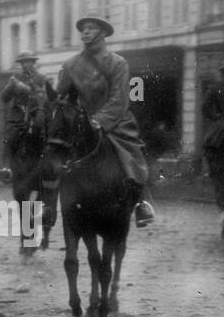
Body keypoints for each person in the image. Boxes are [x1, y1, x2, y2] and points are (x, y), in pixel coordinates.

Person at [55, 14, 155, 227]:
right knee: (55, 151)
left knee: (132, 151)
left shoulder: (118, 63)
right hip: (82, 122)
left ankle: (141, 202)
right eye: (83, 28)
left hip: (115, 120)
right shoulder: (71, 64)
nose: (86, 31)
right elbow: (62, 96)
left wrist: (99, 120)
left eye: (91, 27)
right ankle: (49, 200)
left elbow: (119, 98)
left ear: (102, 33)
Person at [0, 51, 55, 175]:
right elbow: (4, 98)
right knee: (9, 135)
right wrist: (10, 86)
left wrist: (27, 89)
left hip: (37, 112)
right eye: (23, 62)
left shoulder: (42, 78)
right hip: (18, 114)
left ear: (33, 62)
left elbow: (47, 96)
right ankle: (6, 167)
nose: (25, 65)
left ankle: (52, 165)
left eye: (28, 61)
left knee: (50, 134)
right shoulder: (16, 78)